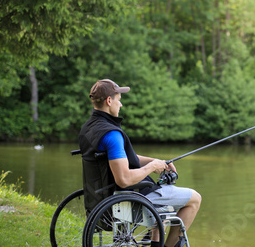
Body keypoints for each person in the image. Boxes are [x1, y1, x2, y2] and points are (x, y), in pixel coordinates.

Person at [79, 79, 201, 247]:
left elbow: (120, 159)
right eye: (118, 99)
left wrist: (155, 161)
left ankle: (152, 237)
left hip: (101, 193)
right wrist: (151, 167)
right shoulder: (112, 134)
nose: (120, 104)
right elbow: (124, 179)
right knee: (194, 198)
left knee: (164, 208)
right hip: (127, 195)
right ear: (109, 101)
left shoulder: (89, 128)